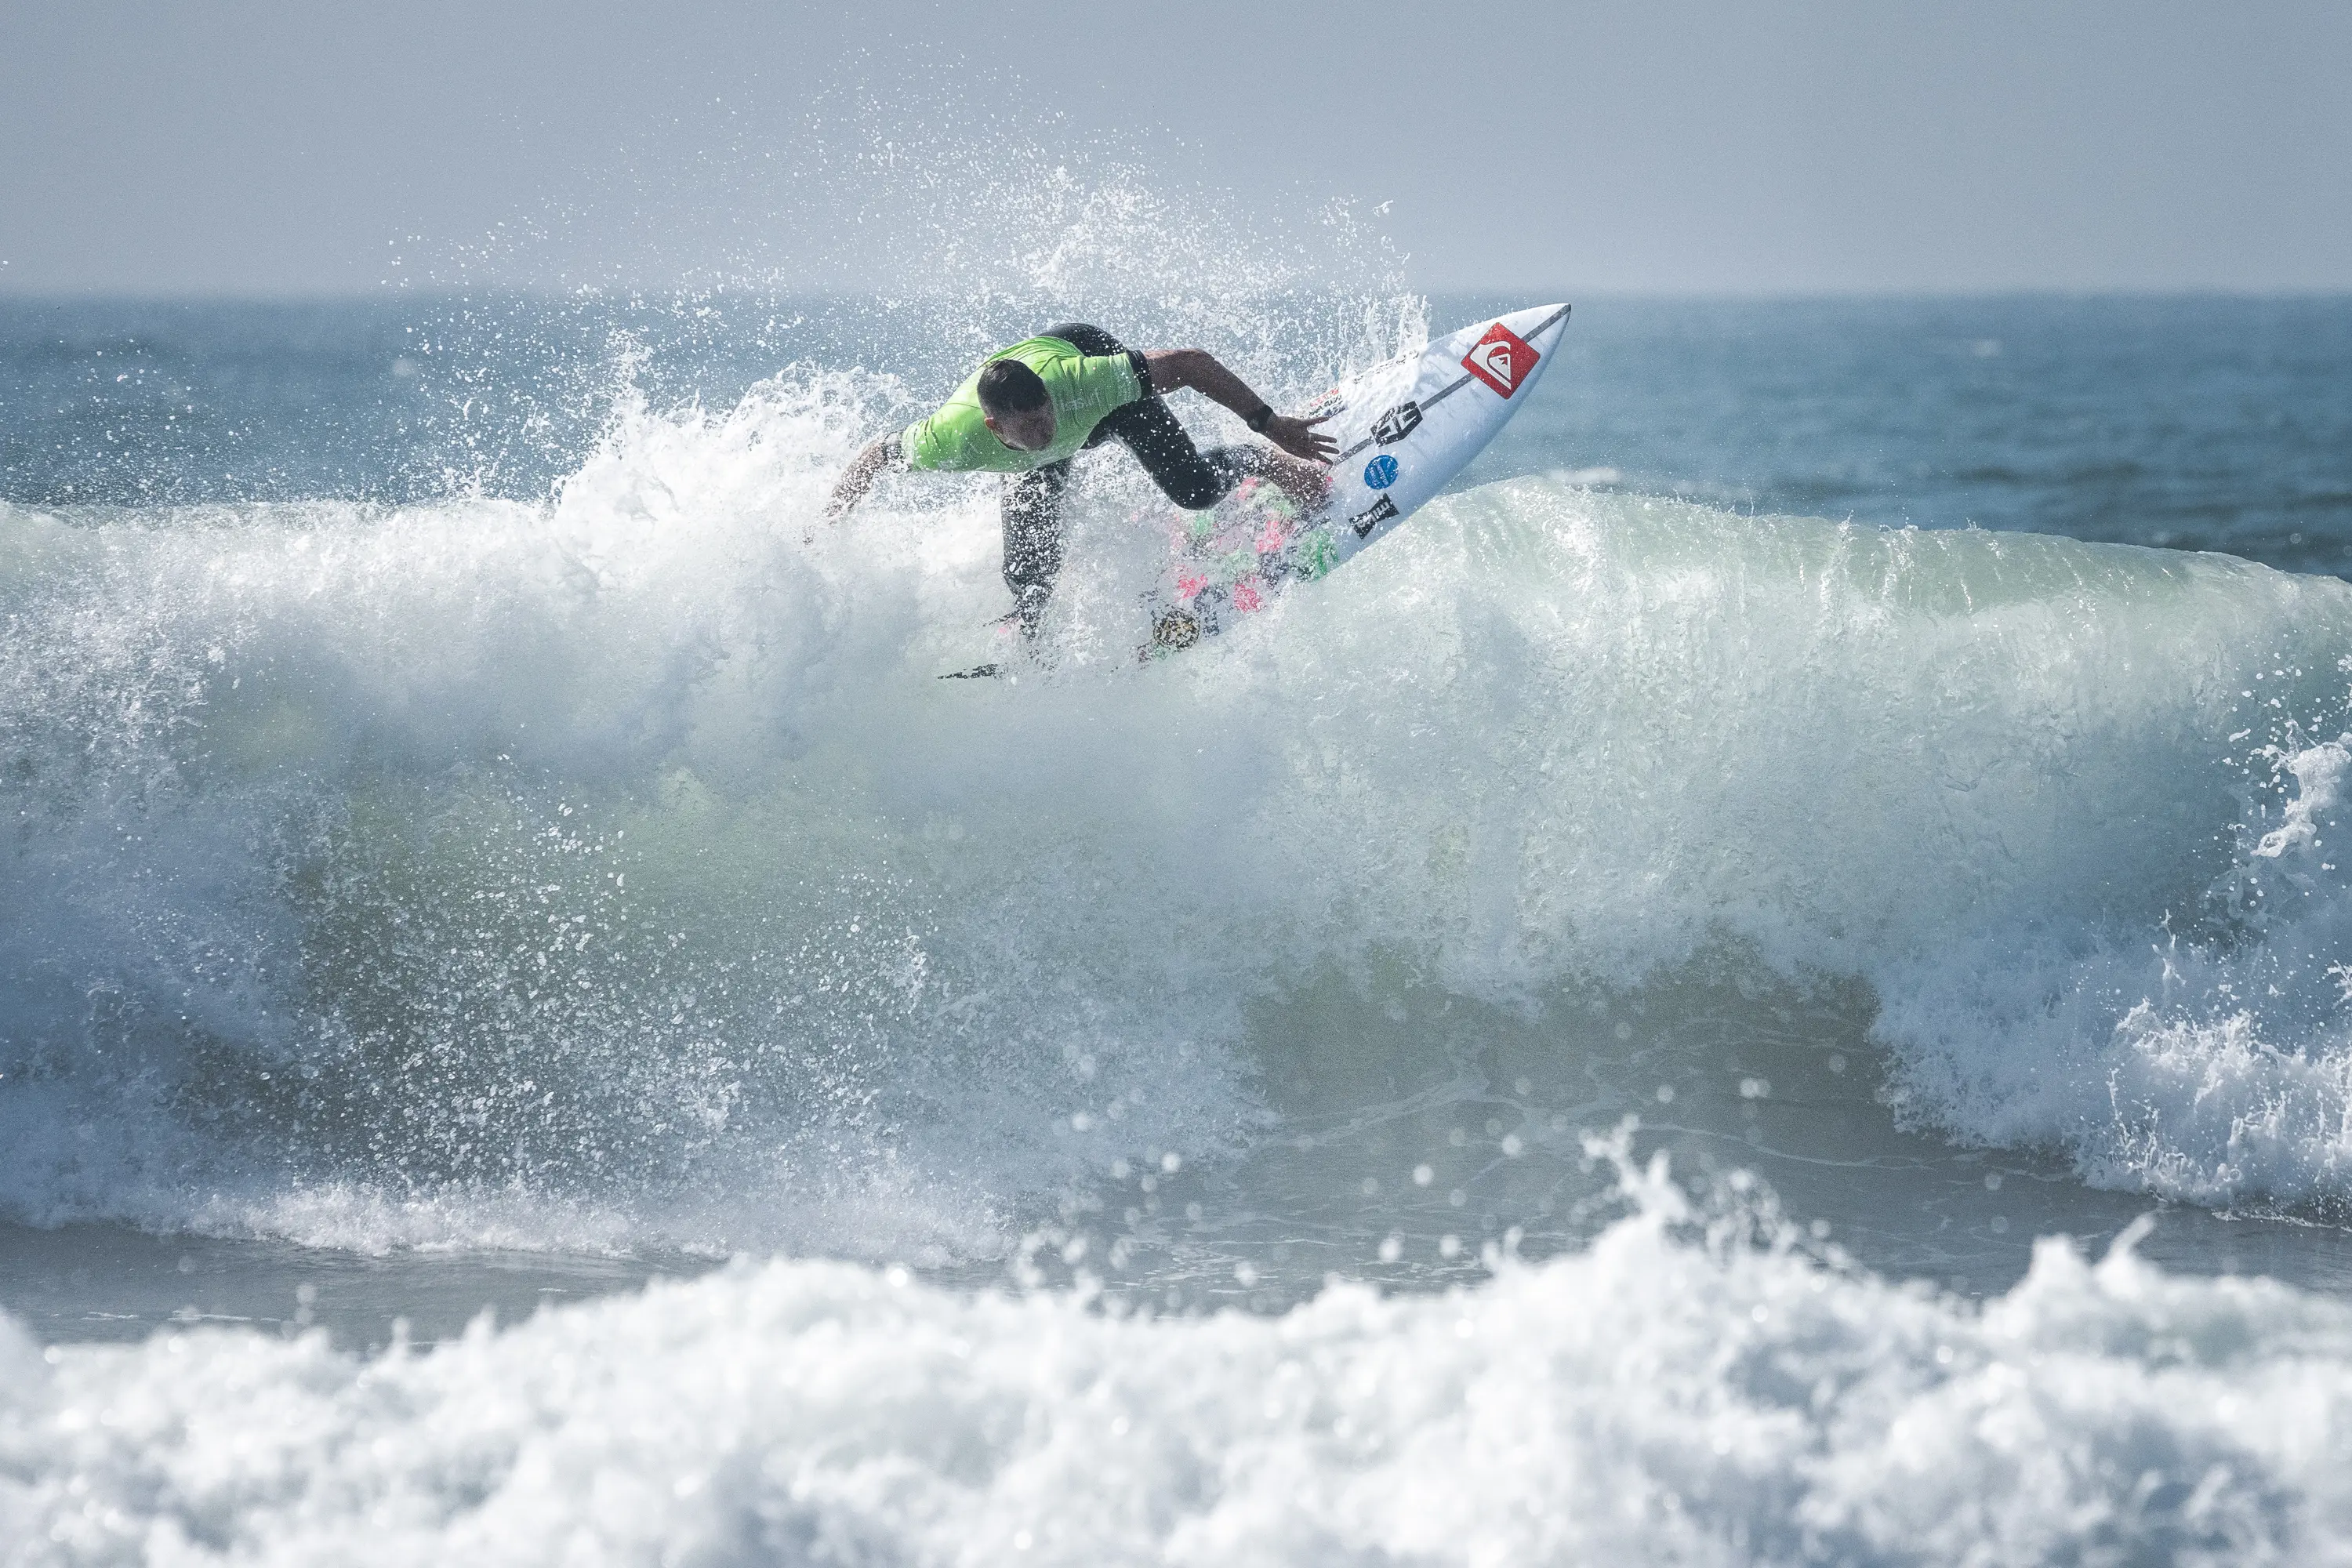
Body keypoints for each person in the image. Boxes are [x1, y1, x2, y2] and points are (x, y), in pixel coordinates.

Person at [823, 323, 1336, 634]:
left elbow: (1191, 363)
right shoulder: (950, 442)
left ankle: (1257, 463)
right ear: (994, 428)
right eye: (1028, 428)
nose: (1044, 430)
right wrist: (831, 518)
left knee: (1195, 489)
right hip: (1020, 446)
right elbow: (876, 454)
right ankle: (1031, 647)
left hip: (1089, 376)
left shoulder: (1084, 383)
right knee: (1028, 575)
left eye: (1044, 416)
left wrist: (1271, 426)